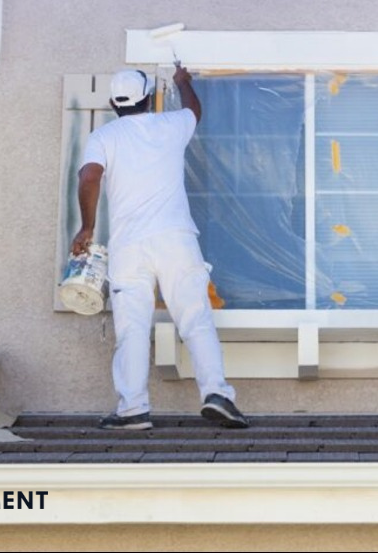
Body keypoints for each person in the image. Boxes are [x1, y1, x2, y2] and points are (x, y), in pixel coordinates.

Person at [71, 65, 248, 430]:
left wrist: (87, 227)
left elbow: (89, 176)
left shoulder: (103, 137)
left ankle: (133, 409)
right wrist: (184, 83)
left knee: (132, 327)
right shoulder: (170, 126)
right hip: (176, 240)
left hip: (129, 247)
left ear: (112, 104)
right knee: (195, 319)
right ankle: (217, 394)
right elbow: (194, 111)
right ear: (149, 98)